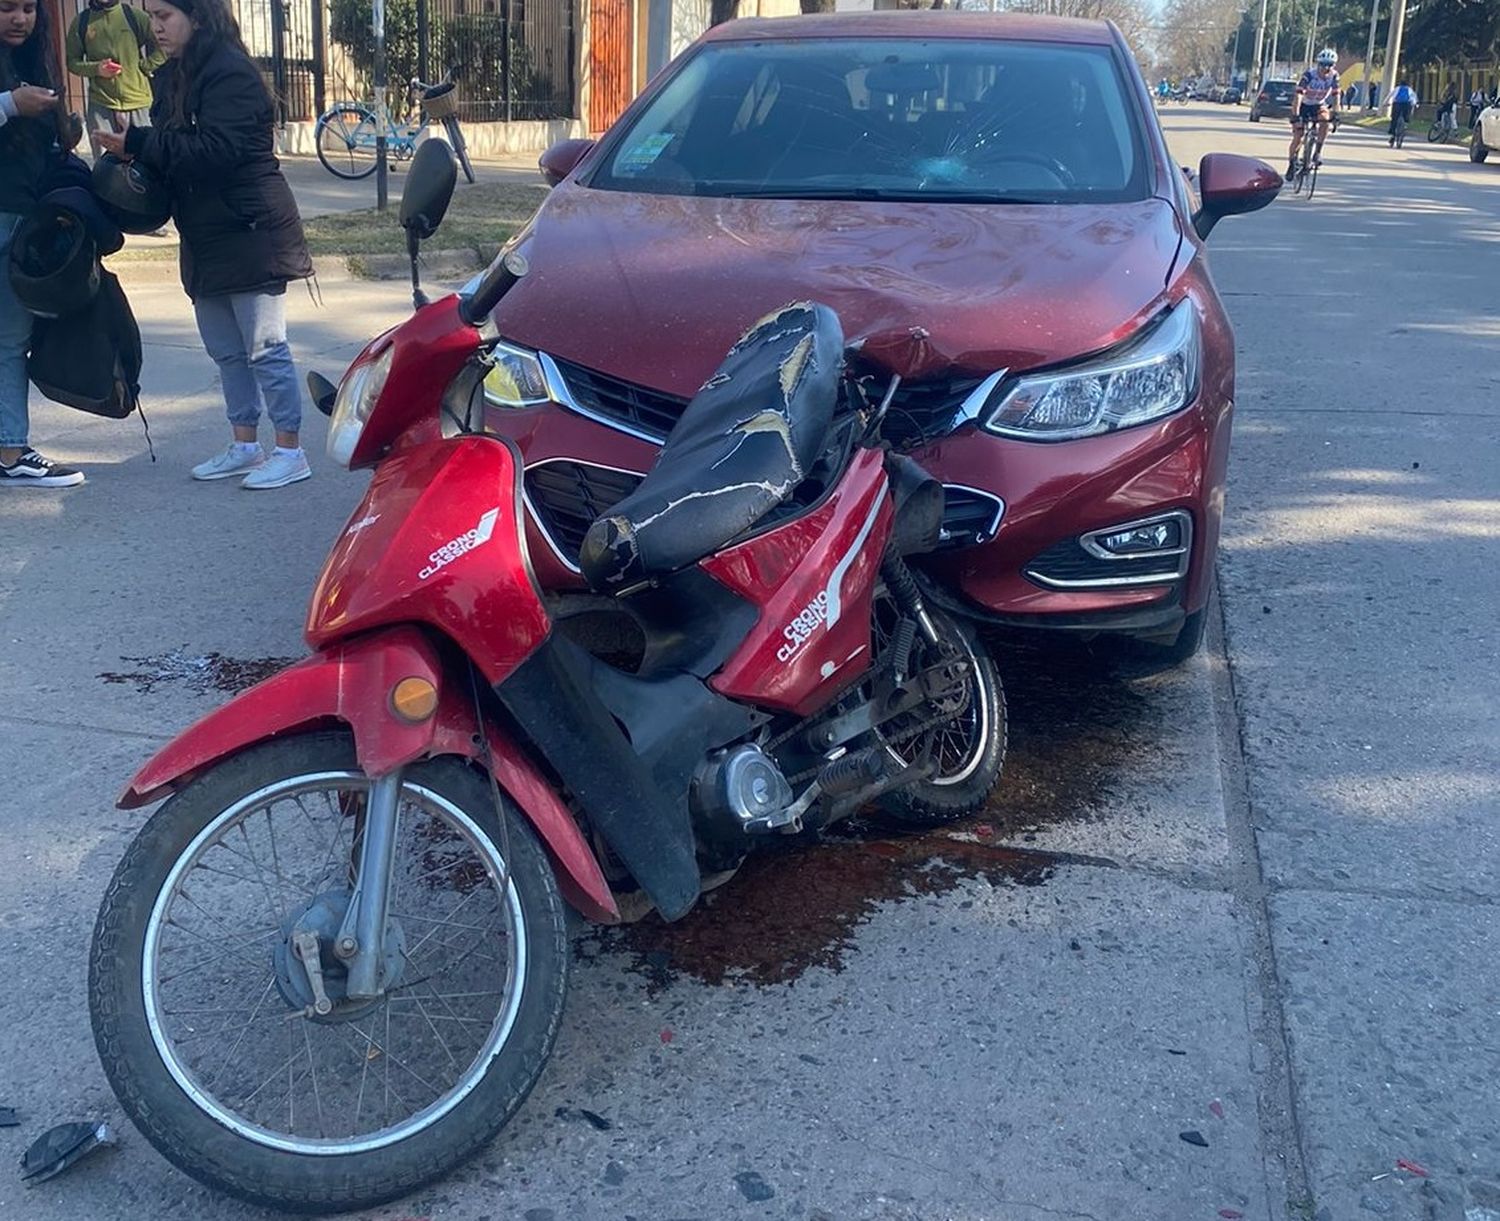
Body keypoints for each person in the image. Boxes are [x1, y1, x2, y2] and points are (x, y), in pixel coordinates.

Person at [94, 0, 314, 489]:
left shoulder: (230, 73)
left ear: (198, 17)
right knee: (225, 351)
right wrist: (138, 149)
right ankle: (244, 443)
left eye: (165, 16)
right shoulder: (174, 73)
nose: (156, 26)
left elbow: (217, 151)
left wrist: (142, 144)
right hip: (205, 232)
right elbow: (174, 149)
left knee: (265, 348)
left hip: (250, 228)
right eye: (152, 16)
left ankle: (290, 450)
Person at [1, 0, 87, 487]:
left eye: (29, 9)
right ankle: (11, 451)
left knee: (10, 341)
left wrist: (60, 136)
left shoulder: (34, 60)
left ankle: (10, 450)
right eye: (8, 8)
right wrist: (11, 104)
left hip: (20, 215)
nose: (20, 19)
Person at [66, 0, 163, 151]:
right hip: (101, 105)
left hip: (138, 102)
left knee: (146, 162)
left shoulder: (135, 16)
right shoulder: (81, 22)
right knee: (105, 168)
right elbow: (72, 62)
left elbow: (163, 46)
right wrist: (96, 69)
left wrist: (145, 66)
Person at [1289, 48, 1340, 176]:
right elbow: (1299, 95)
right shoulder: (1309, 75)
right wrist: (1295, 115)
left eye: (1330, 65)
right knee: (1298, 135)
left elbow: (1336, 95)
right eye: (1323, 64)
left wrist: (1336, 114)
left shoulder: (1334, 76)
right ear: (1318, 64)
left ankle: (1317, 153)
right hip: (1303, 105)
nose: (1326, 68)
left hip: (1318, 104)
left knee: (1325, 123)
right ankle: (1291, 163)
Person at [1388, 80, 1417, 144]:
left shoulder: (1397, 88)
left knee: (1394, 118)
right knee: (1407, 116)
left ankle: (1392, 135)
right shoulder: (1410, 89)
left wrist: (1385, 103)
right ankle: (1405, 125)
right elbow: (1414, 97)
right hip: (1407, 104)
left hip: (1397, 104)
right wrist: (1415, 104)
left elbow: (1389, 95)